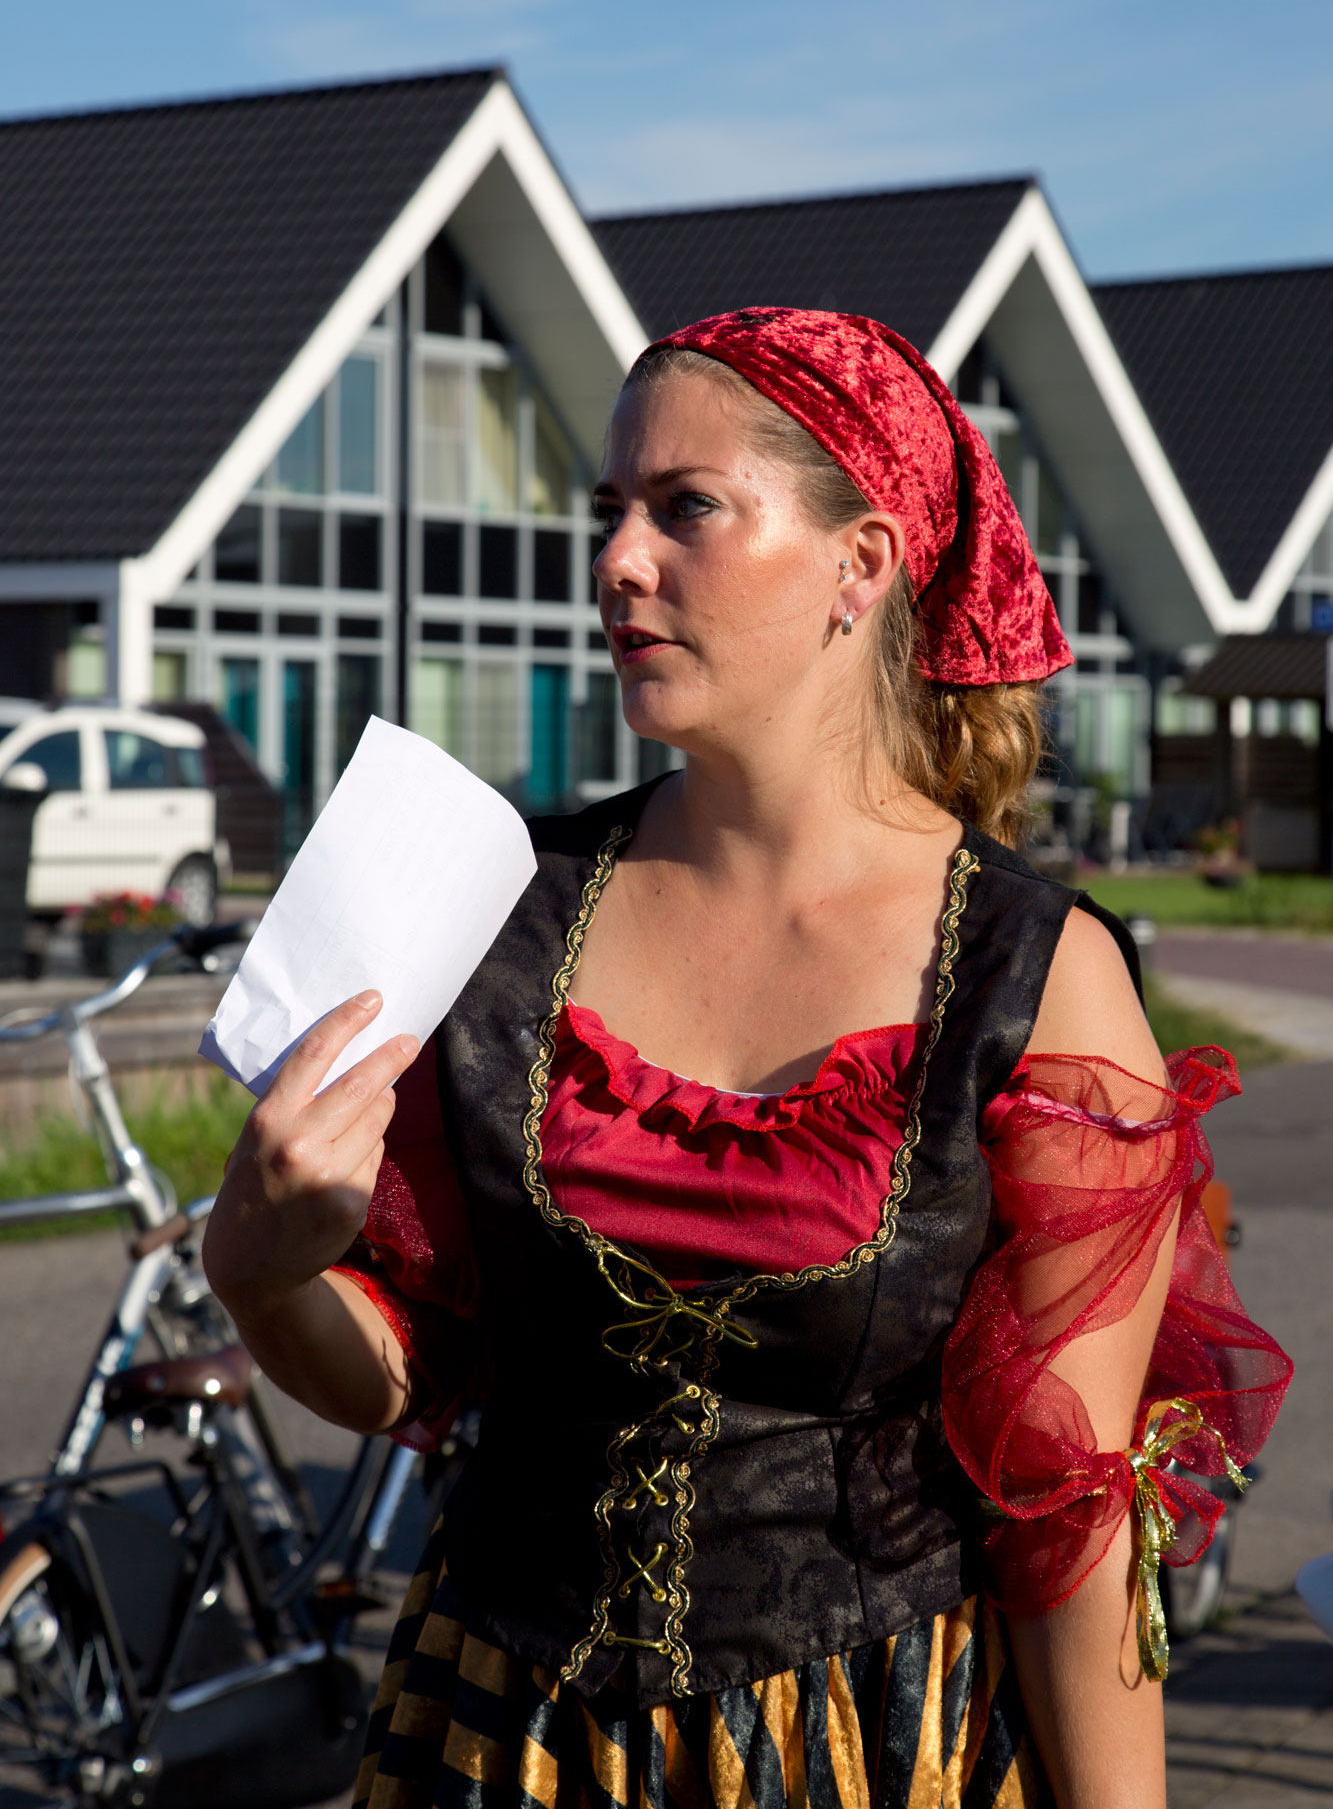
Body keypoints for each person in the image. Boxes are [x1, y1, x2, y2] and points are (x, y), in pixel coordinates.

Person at [204, 309, 1291, 1809]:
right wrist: (260, 1268)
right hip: (498, 1735)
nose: (617, 562)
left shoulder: (1031, 980)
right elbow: (410, 1376)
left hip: (868, 1744)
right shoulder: (498, 910)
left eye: (686, 508)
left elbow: (1070, 1510)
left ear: (862, 563)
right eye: (610, 512)